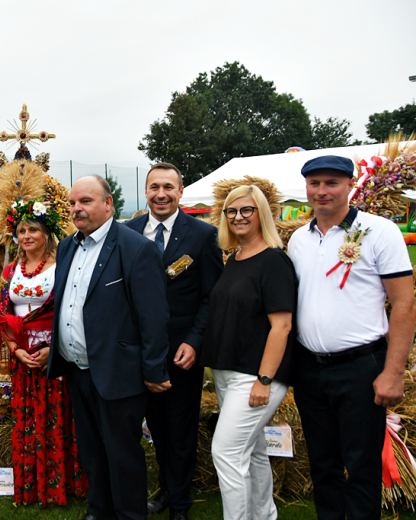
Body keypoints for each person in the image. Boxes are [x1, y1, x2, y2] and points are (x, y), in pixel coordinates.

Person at [288, 155, 416, 520]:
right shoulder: (299, 238)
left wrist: (393, 373)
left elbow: (405, 304)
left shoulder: (380, 231)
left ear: (350, 184)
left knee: (361, 468)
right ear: (307, 188)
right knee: (322, 466)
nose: (322, 191)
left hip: (361, 367)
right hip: (310, 369)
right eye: (315, 184)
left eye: (332, 183)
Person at [47, 175, 171, 520]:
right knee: (91, 451)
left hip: (119, 373)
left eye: (85, 201)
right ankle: (98, 510)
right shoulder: (69, 246)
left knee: (123, 456)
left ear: (108, 204)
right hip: (78, 371)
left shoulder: (136, 248)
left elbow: (154, 317)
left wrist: (153, 370)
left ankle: (130, 515)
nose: (77, 209)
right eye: (72, 203)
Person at [124, 163, 223, 520]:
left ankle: (180, 503)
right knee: (151, 429)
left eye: (168, 187)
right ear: (145, 192)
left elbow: (212, 296)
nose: (161, 194)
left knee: (179, 430)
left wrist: (195, 342)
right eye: (154, 187)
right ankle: (166, 489)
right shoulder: (128, 232)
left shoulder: (201, 235)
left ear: (181, 192)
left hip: (182, 353)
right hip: (137, 353)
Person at [200, 185, 295, 520]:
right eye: (231, 211)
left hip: (255, 377)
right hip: (229, 374)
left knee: (226, 453)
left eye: (246, 210)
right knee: (251, 453)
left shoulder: (273, 261)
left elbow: (281, 326)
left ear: (261, 215)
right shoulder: (236, 259)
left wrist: (265, 379)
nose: (238, 217)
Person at [0, 198, 87, 507]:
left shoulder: (63, 266)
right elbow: (1, 313)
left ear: (47, 233)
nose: (27, 235)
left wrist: (52, 349)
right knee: (27, 417)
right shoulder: (9, 272)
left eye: (33, 229)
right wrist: (14, 348)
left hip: (56, 350)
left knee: (58, 416)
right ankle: (31, 485)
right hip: (23, 354)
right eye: (21, 230)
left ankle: (61, 485)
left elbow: (70, 310)